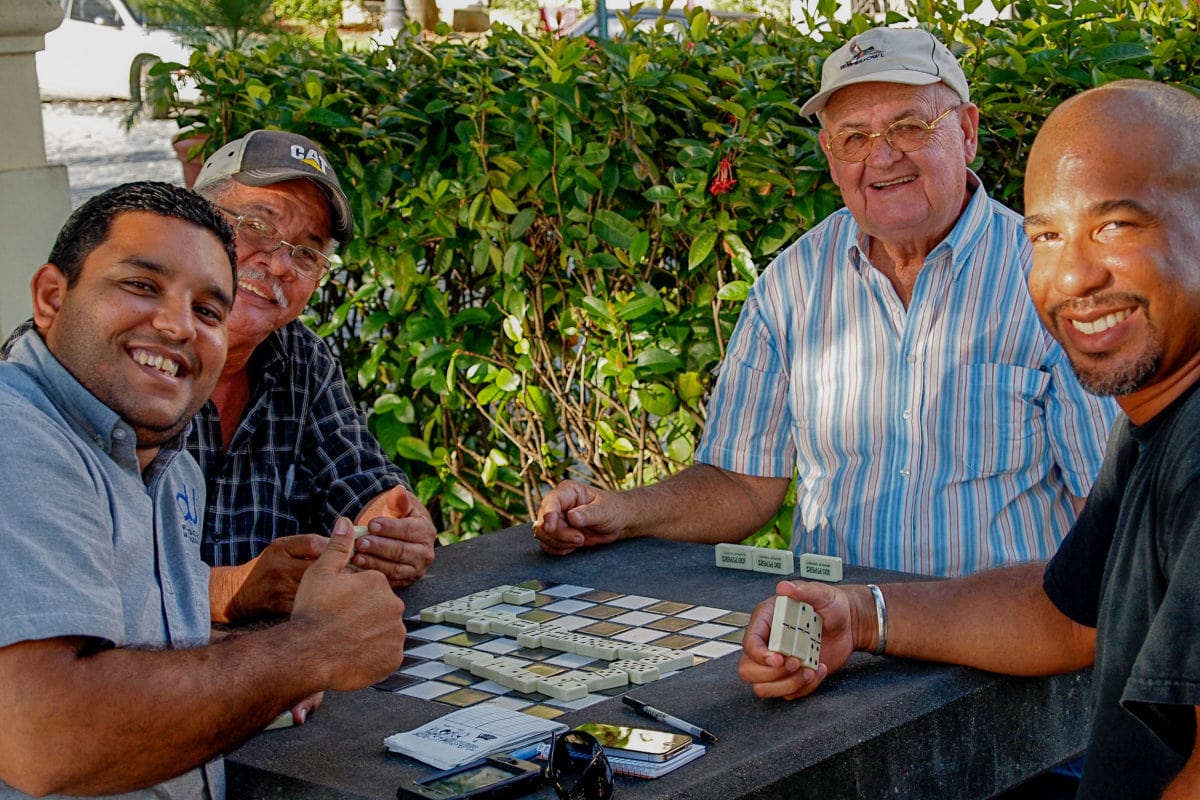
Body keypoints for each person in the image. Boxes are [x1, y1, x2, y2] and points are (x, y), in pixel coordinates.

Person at [738, 79, 1200, 799]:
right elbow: (1065, 613)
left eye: (1116, 225)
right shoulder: (1155, 424)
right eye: (1046, 235)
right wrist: (860, 615)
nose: (1073, 273)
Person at [534, 26, 1117, 578]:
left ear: (966, 132)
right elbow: (743, 483)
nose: (882, 157)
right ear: (829, 153)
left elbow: (1108, 509)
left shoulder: (1049, 280)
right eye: (854, 137)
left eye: (910, 126)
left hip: (999, 652)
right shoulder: (793, 283)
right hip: (835, 642)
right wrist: (619, 512)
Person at [0, 182, 406, 799]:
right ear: (52, 297)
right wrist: (310, 647)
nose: (176, 325)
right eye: (140, 285)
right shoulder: (18, 431)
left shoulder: (164, 457)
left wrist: (266, 666)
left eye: (209, 311)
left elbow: (142, 643)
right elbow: (43, 736)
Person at [4, 130, 436, 622]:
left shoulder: (298, 357)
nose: (277, 263)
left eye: (307, 254)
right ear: (199, 226)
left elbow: (365, 484)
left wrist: (395, 529)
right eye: (256, 225)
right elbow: (83, 589)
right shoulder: (91, 355)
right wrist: (236, 589)